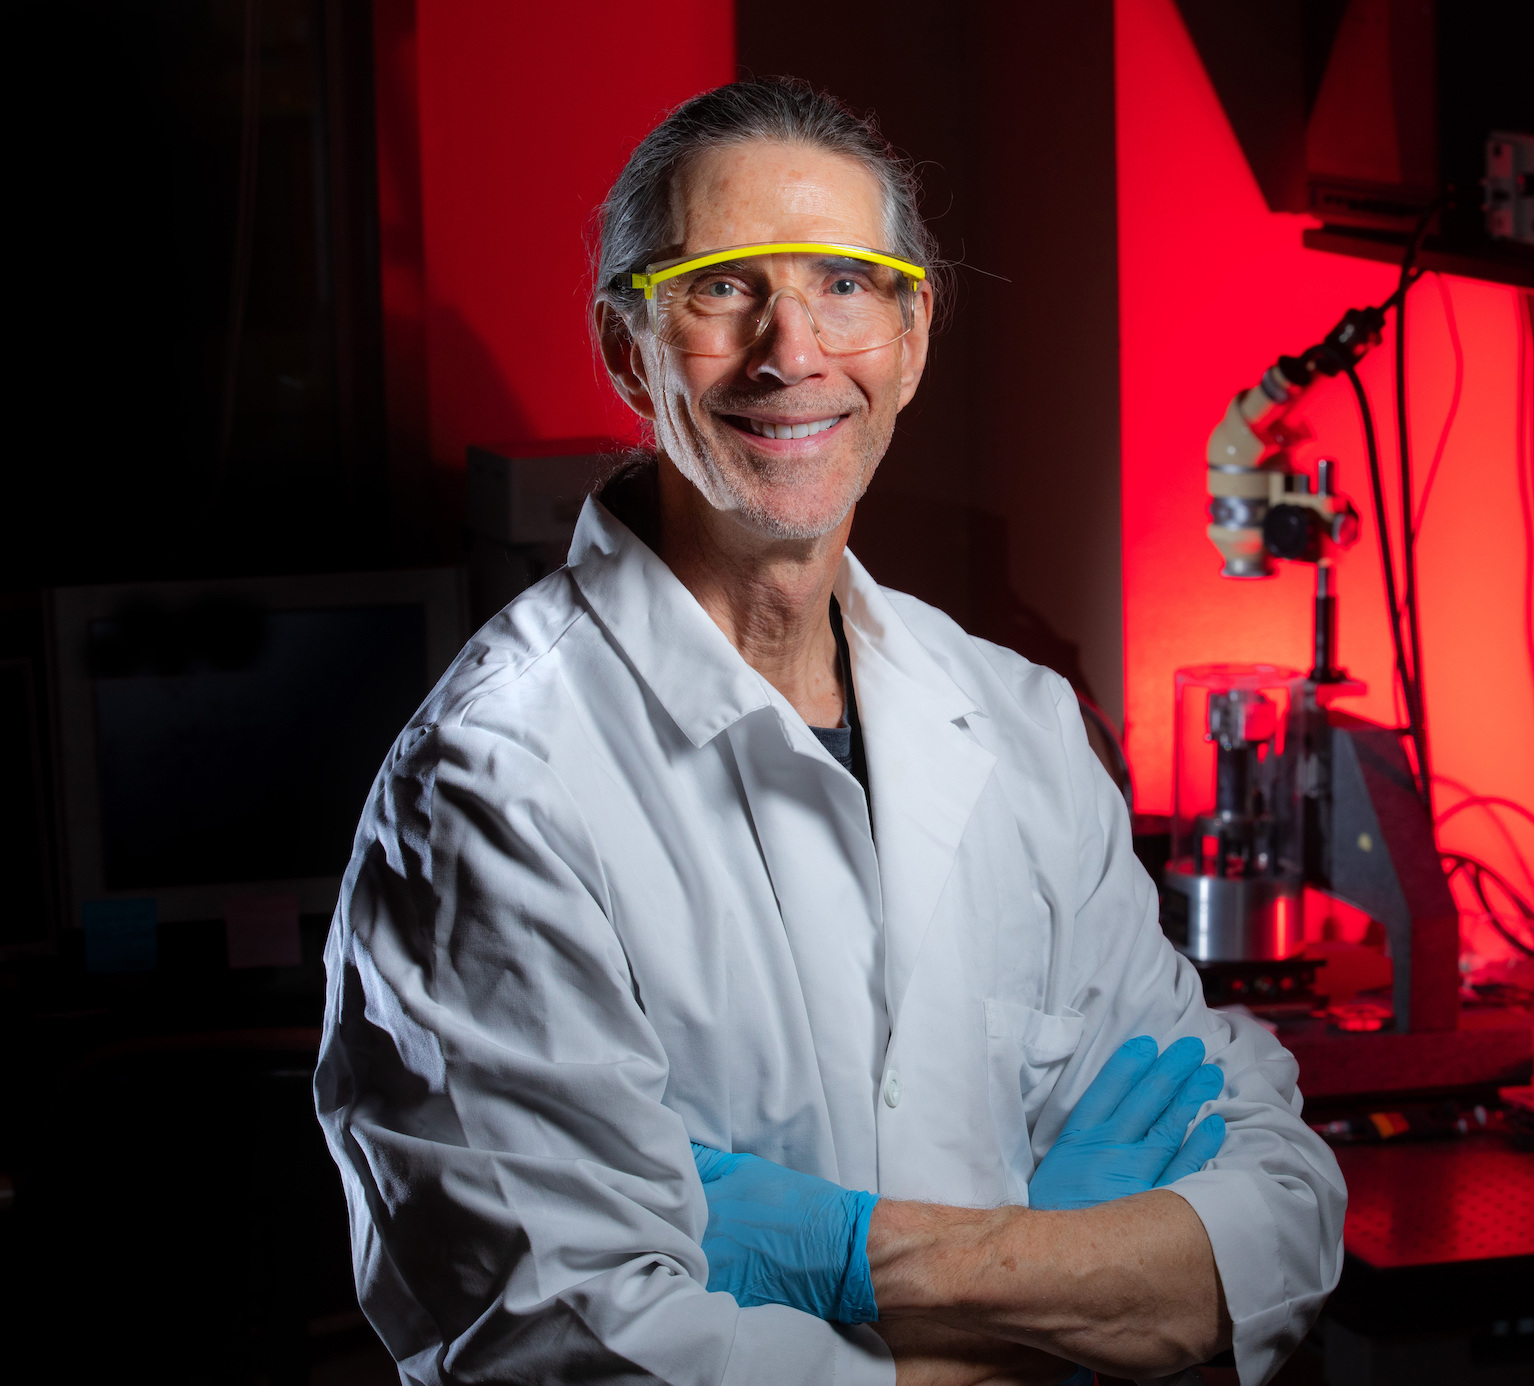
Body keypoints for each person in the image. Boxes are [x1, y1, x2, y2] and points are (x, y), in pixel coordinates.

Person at [315, 77, 1344, 1386]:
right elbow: (570, 1353)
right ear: (628, 348)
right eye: (723, 286)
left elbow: (1287, 1218)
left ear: (913, 336)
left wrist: (861, 1258)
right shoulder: (498, 789)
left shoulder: (1017, 725)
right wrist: (1065, 1304)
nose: (791, 351)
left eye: (847, 285)